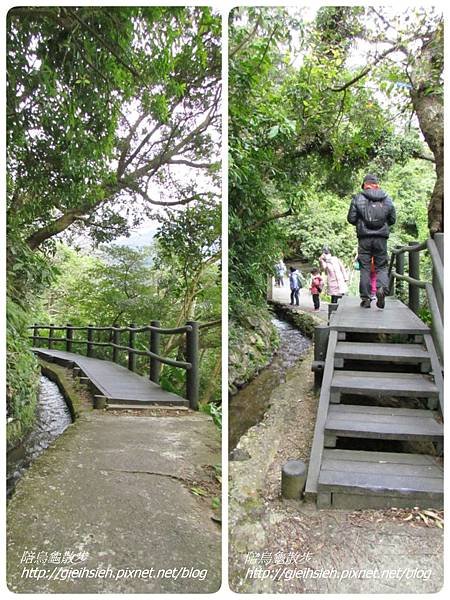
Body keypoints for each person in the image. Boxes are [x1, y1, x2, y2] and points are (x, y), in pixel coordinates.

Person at [347, 173, 396, 309]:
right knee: (381, 267)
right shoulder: (387, 199)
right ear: (377, 185)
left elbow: (351, 218)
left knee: (365, 268)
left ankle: (366, 299)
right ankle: (381, 290)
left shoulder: (358, 198)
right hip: (381, 238)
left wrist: (362, 222)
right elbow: (392, 220)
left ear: (364, 185)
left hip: (364, 239)